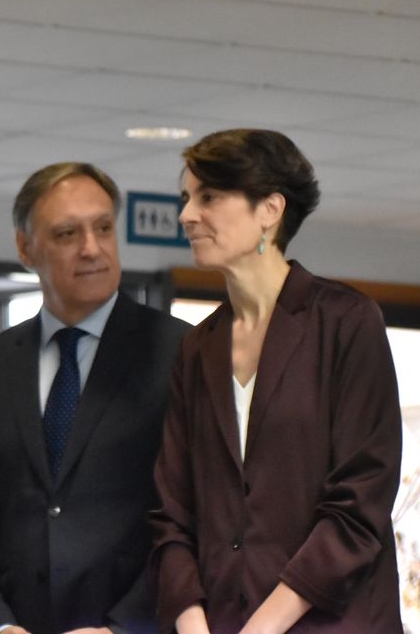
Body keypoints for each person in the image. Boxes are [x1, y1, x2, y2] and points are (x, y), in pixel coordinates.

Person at [150, 129, 403, 634]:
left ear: (269, 209)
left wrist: (264, 626)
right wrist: (191, 621)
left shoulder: (346, 323)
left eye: (209, 197)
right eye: (186, 199)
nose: (186, 215)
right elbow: (171, 514)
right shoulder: (198, 349)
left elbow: (359, 505)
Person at [0, 162, 192, 634]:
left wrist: (123, 628)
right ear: (25, 247)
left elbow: (192, 517)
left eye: (103, 228)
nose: (92, 249)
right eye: (66, 234)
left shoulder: (178, 353)